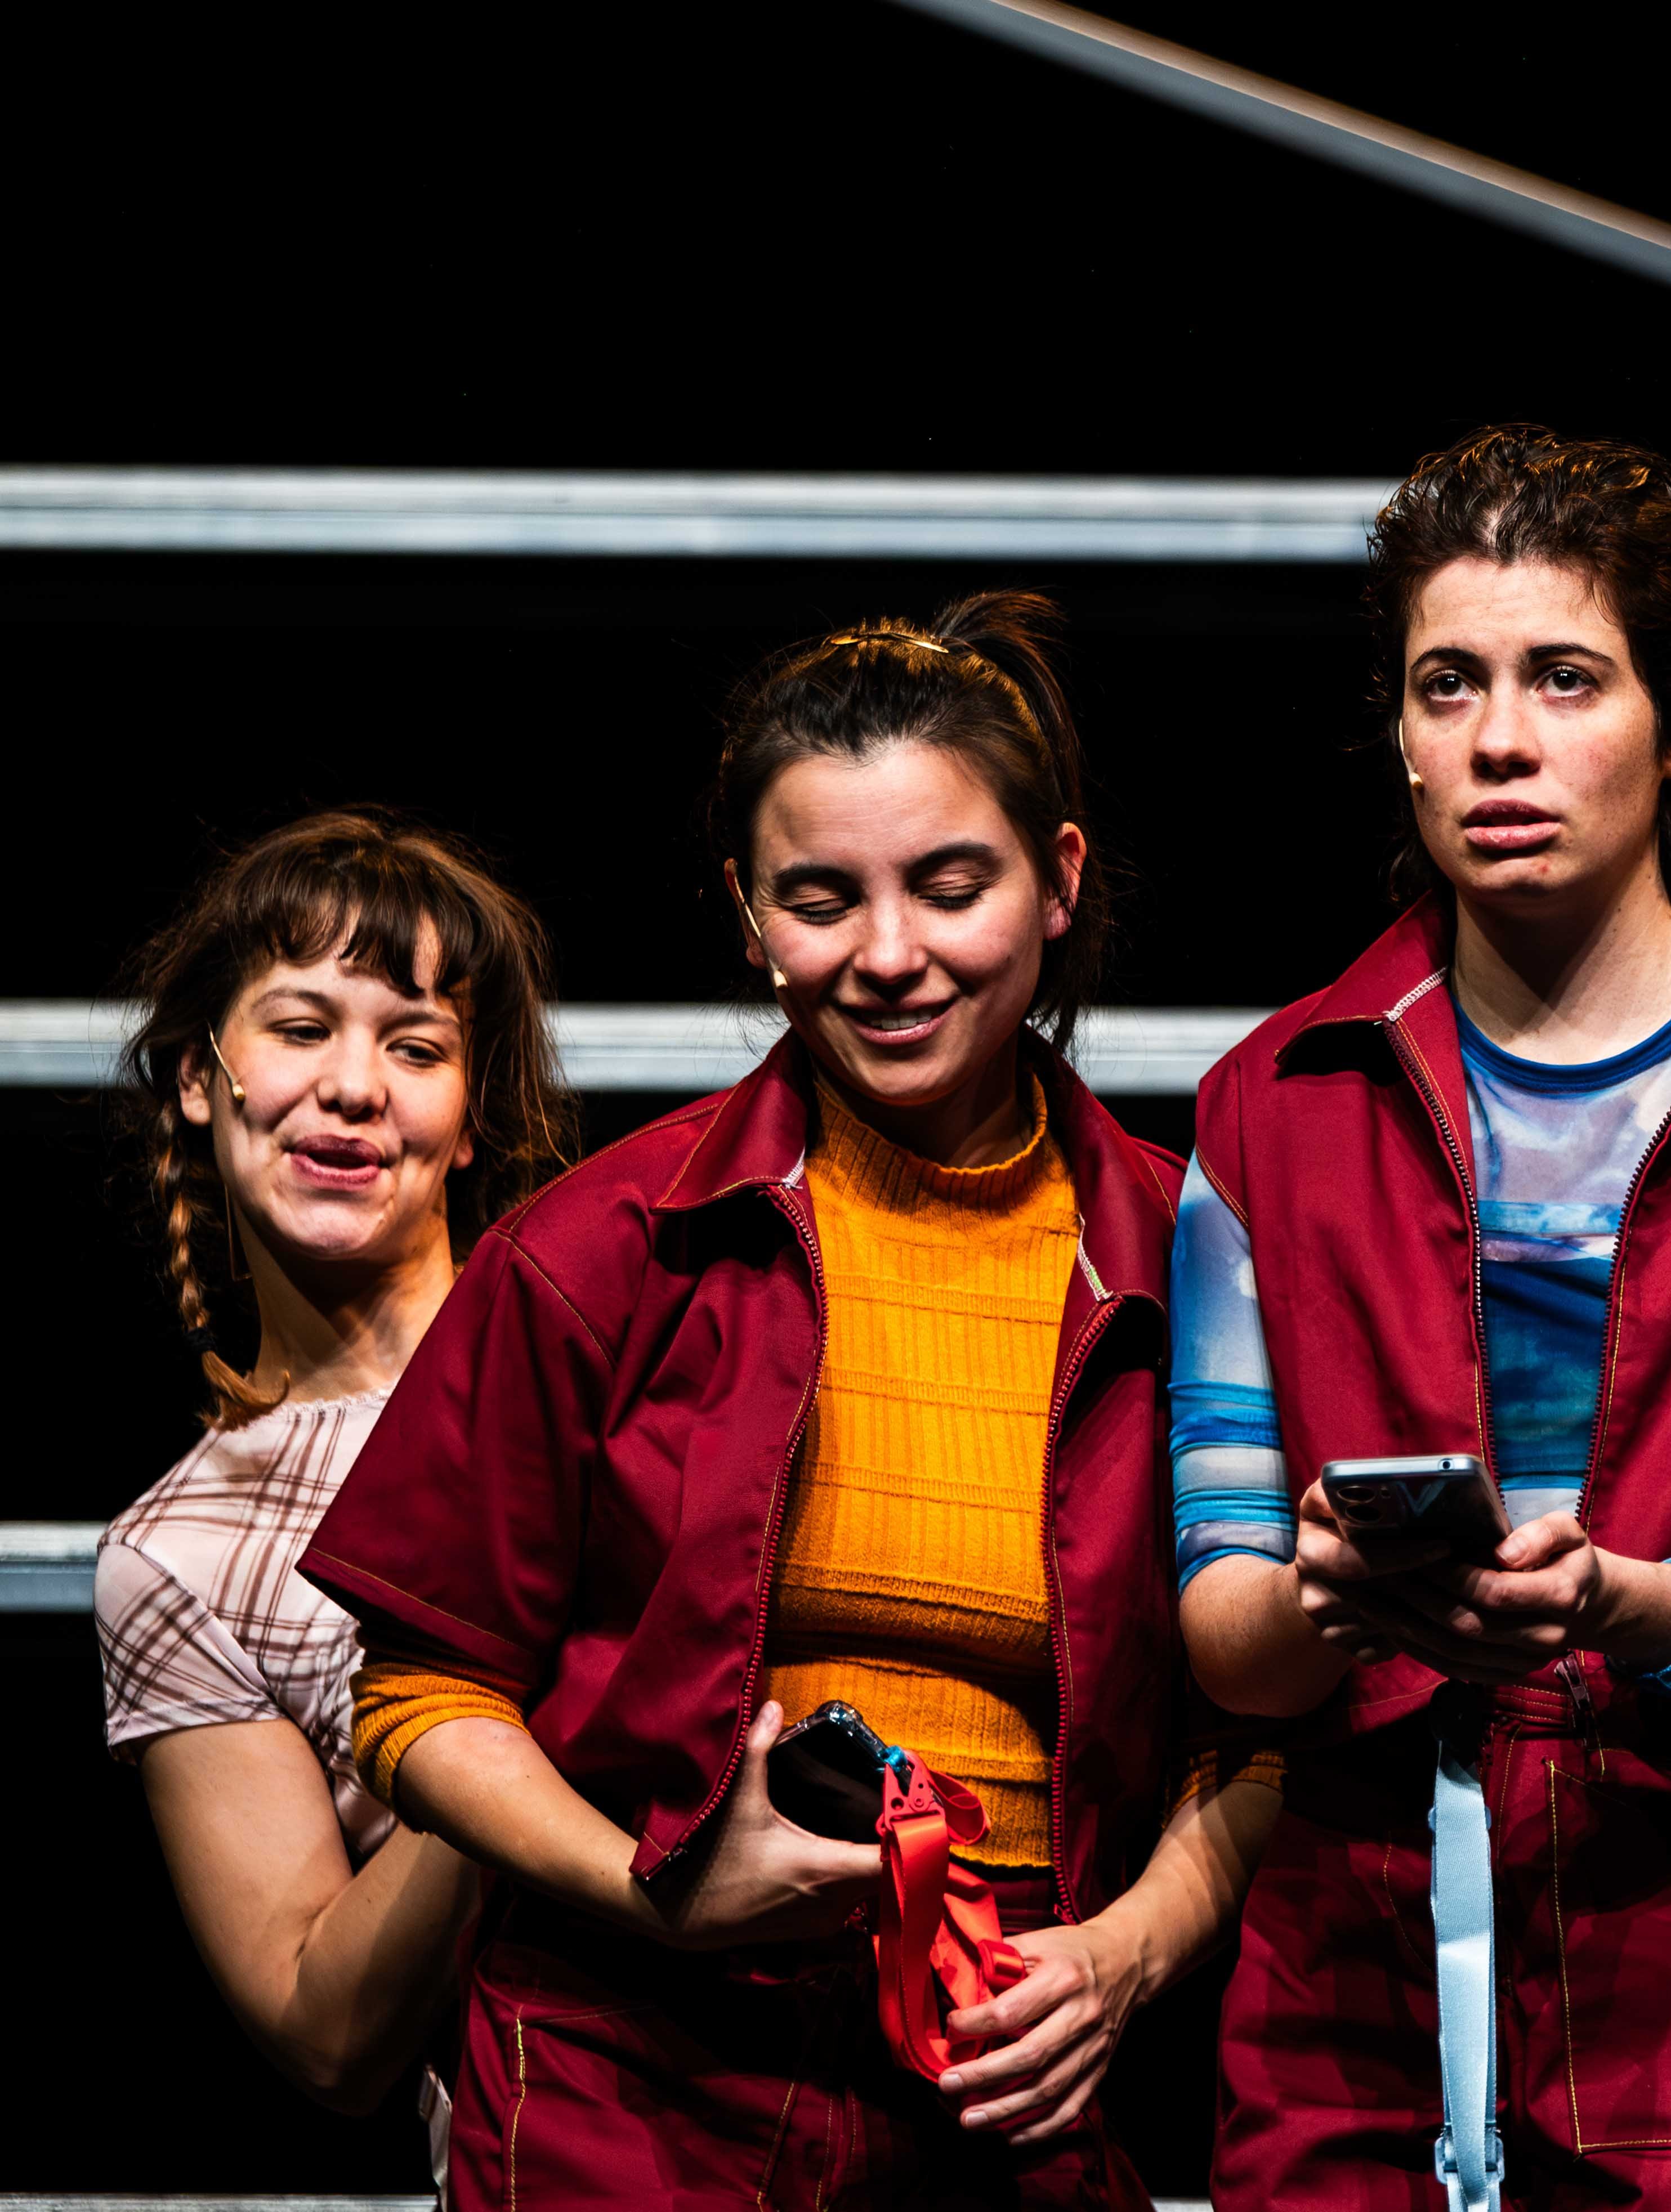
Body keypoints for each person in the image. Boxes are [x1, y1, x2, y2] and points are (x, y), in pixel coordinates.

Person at [300, 593, 1277, 2210]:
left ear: (1058, 881)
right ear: (749, 914)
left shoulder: (1194, 1262)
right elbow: (417, 1695)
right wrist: (654, 1890)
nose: (887, 954)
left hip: (1004, 2080)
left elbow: (1259, 1733)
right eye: (820, 898)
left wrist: (1124, 1955)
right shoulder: (602, 1248)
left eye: (949, 885)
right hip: (640, 2086)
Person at [1174, 427, 1671, 2210]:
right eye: (1447, 684)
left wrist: (1631, 1602)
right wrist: (1331, 1594)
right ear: (1401, 730)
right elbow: (1222, 1618)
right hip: (1359, 1981)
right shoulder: (1270, 1104)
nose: (1499, 739)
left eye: (1565, 677)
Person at [97, 809, 571, 2149]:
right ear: (201, 1077)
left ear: (468, 1119)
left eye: (415, 1047)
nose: (354, 1087)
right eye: (302, 1028)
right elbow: (326, 2030)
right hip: (552, 2147)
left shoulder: (606, 1350)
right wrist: (514, 1716)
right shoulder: (179, 1552)